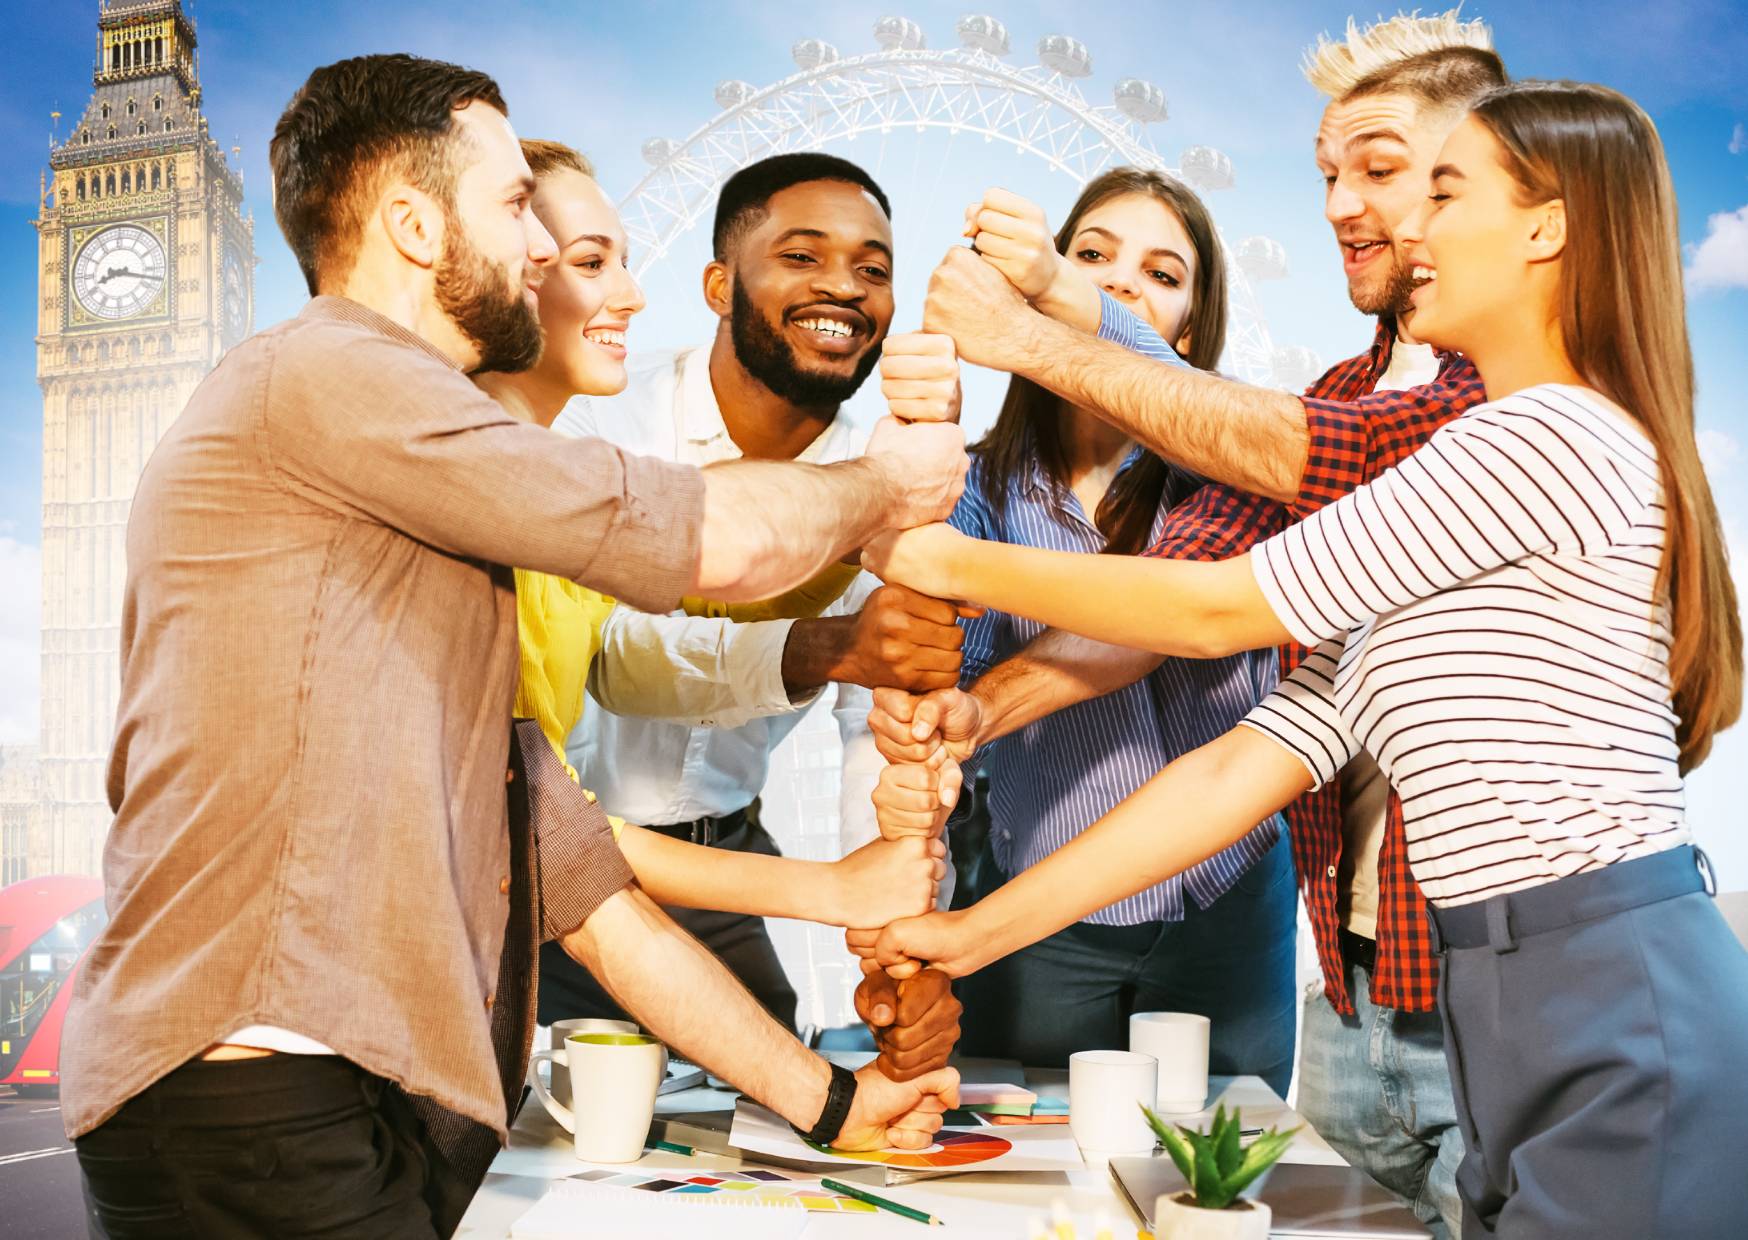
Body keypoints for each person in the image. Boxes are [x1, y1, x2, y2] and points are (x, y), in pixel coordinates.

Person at [64, 55, 963, 1239]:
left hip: (331, 1101)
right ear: (410, 223)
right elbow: (699, 537)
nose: (538, 250)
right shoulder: (331, 373)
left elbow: (575, 875)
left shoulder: (413, 501)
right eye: (511, 209)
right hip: (252, 1100)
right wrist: (887, 482)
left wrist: (832, 1098)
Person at [862, 79, 1748, 1238]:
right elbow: (1245, 763)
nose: (1403, 229)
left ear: (1547, 225)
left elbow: (1216, 608)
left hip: (1603, 984)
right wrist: (970, 932)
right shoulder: (1467, 466)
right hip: (1515, 992)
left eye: (1442, 189)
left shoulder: (1554, 435)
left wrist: (934, 550)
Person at [868, 15, 1508, 1233]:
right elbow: (1217, 681)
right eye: (1328, 173)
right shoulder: (1336, 395)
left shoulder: (1493, 406)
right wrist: (971, 728)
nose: (1339, 205)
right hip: (1353, 988)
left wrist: (1040, 318)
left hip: (1476, 977)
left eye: (1376, 169)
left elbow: (1214, 607)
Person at [477, 138, 949, 938]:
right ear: (719, 287)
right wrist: (827, 640)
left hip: (716, 862)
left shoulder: (891, 474)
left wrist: (892, 942)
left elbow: (874, 733)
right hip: (550, 876)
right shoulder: (587, 416)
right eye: (802, 255)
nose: (843, 285)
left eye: (874, 269)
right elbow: (617, 656)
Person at [934, 168, 1297, 1088]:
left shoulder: (1235, 467)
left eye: (1161, 275)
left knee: (1223, 1165)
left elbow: (1180, 613)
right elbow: (944, 680)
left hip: (1230, 898)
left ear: (1187, 326)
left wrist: (1068, 297)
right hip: (1040, 904)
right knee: (1032, 1172)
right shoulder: (975, 486)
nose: (1121, 283)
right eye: (1090, 255)